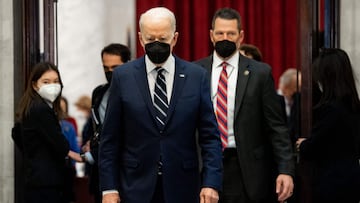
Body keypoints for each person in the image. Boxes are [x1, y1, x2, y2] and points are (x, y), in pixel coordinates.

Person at [98, 7, 222, 203]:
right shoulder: (123, 76)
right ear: (140, 39)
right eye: (150, 39)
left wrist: (211, 183)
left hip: (183, 186)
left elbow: (210, 137)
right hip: (135, 187)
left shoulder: (196, 76)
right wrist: (108, 189)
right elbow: (110, 139)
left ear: (175, 38)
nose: (156, 45)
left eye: (163, 39)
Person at [195, 8, 294, 203]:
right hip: (204, 166)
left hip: (245, 170)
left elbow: (276, 127)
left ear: (241, 36)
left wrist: (285, 169)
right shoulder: (194, 71)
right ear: (211, 35)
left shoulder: (260, 73)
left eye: (231, 33)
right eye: (220, 33)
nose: (225, 38)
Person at [12, 62, 82, 203]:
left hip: (35, 180)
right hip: (46, 182)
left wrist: (33, 154)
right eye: (46, 82)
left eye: (56, 81)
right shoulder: (41, 109)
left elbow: (16, 133)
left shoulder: (30, 106)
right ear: (34, 85)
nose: (52, 85)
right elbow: (60, 143)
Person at [296, 48, 360, 203]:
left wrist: (303, 144)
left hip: (332, 183)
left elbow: (315, 145)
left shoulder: (331, 109)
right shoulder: (354, 105)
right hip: (352, 178)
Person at [81, 43, 131, 203]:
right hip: (101, 170)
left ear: (128, 64)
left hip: (127, 170)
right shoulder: (99, 92)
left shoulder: (136, 94)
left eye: (115, 67)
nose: (110, 72)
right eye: (106, 68)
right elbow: (95, 125)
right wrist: (90, 142)